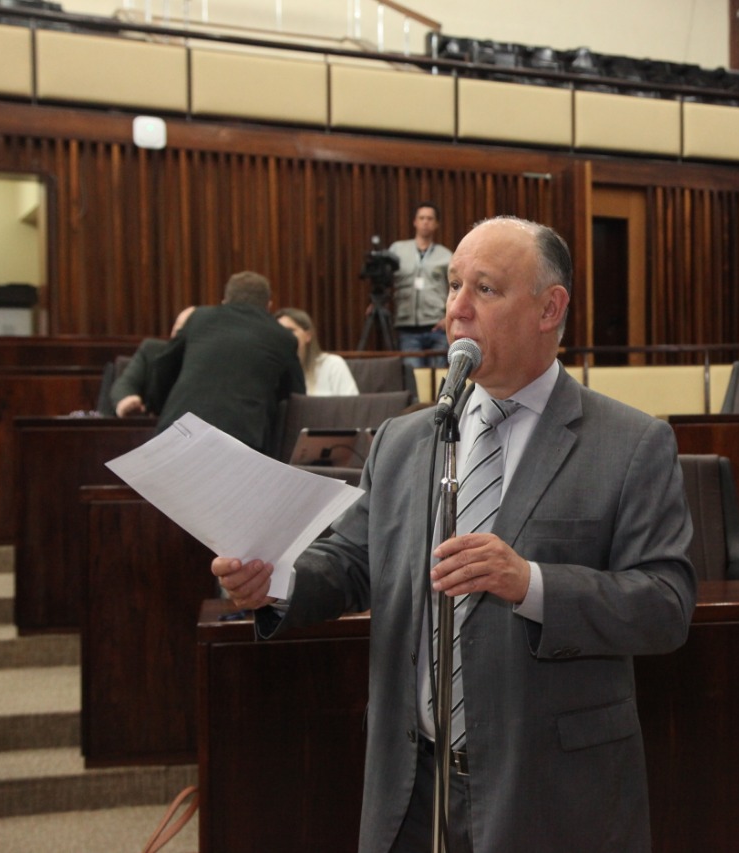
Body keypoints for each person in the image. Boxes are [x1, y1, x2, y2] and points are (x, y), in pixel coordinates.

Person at [212, 216, 696, 852]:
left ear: (551, 308)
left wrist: (531, 584)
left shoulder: (631, 444)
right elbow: (354, 562)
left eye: (486, 290)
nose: (458, 310)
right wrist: (273, 581)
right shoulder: (407, 439)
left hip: (551, 791)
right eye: (452, 286)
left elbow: (664, 605)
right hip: (411, 788)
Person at [148, 271, 305, 454]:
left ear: (224, 300)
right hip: (241, 437)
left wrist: (157, 407)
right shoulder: (282, 336)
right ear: (268, 305)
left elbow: (163, 365)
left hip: (179, 428)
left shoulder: (199, 318)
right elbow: (295, 396)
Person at [389, 202, 453, 368]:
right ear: (414, 222)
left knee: (438, 381)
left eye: (430, 219)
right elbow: (386, 279)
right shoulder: (398, 250)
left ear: (436, 224)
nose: (425, 222)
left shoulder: (446, 255)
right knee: (414, 380)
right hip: (407, 328)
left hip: (437, 327)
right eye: (422, 218)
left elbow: (458, 289)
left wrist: (448, 317)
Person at [110, 306, 195, 417]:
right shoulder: (151, 351)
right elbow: (125, 384)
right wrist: (127, 401)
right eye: (179, 330)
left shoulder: (208, 361)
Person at [275, 307, 359, 396]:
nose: (283, 336)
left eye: (290, 331)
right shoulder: (271, 370)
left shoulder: (333, 365)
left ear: (308, 335)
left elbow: (352, 406)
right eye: (278, 332)